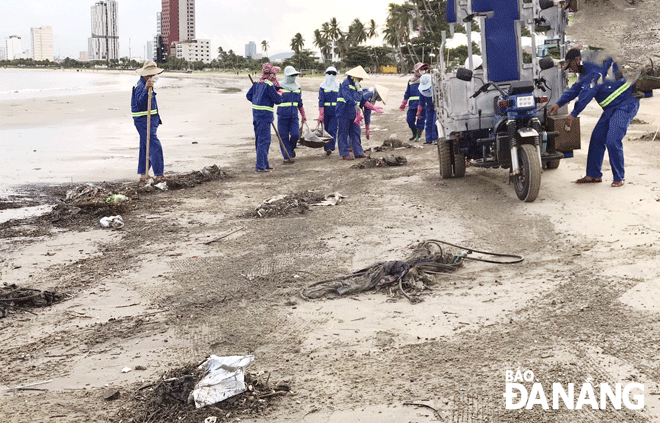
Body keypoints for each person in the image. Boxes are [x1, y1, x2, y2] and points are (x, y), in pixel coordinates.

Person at [549, 49, 639, 187]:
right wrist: (558, 103)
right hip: (610, 109)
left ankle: (619, 177)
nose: (571, 70)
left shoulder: (593, 71)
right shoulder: (585, 75)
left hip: (625, 104)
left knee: (612, 140)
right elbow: (575, 89)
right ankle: (593, 175)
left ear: (577, 60)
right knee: (597, 138)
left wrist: (574, 114)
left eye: (571, 65)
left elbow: (588, 93)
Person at [246, 63, 283, 173]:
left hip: (256, 114)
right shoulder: (269, 84)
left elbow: (248, 96)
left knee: (259, 140)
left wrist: (257, 101)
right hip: (265, 115)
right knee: (264, 140)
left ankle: (264, 164)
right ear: (271, 73)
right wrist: (280, 93)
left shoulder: (258, 83)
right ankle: (260, 166)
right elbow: (277, 100)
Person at [132, 61, 165, 183]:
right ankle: (159, 173)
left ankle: (143, 173)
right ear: (147, 75)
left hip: (151, 118)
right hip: (143, 120)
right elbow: (140, 103)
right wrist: (146, 89)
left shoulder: (148, 83)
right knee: (154, 144)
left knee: (145, 145)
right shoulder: (140, 86)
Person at [336, 65, 374, 160]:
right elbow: (347, 96)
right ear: (354, 77)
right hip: (343, 111)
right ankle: (344, 153)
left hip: (354, 113)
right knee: (343, 132)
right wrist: (355, 105)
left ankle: (358, 152)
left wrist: (369, 105)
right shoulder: (345, 83)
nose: (361, 80)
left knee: (356, 132)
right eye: (360, 78)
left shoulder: (358, 86)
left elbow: (361, 98)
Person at [277, 66, 307, 163]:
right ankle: (287, 156)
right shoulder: (279, 86)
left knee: (295, 134)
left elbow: (300, 102)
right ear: (286, 75)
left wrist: (303, 115)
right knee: (283, 136)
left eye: (294, 75)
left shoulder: (297, 87)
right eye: (291, 75)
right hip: (282, 115)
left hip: (294, 116)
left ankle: (291, 148)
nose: (293, 77)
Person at [400, 62, 429, 141]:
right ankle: (414, 133)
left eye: (424, 69)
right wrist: (404, 102)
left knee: (421, 120)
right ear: (416, 70)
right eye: (421, 69)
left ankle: (418, 136)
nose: (423, 71)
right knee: (409, 120)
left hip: (422, 104)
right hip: (412, 104)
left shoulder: (426, 80)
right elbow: (407, 92)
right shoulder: (411, 81)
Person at [318, 66, 340, 156]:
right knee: (326, 130)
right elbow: (321, 100)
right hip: (326, 112)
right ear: (326, 74)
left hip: (335, 111)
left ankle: (331, 147)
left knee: (332, 129)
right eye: (329, 73)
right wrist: (321, 114)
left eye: (333, 73)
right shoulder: (322, 87)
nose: (331, 75)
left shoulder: (339, 86)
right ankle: (326, 148)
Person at [418, 74, 437, 145]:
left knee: (434, 122)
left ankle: (435, 139)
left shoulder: (435, 87)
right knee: (428, 122)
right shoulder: (422, 90)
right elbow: (421, 100)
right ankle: (428, 139)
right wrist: (419, 110)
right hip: (429, 107)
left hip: (436, 107)